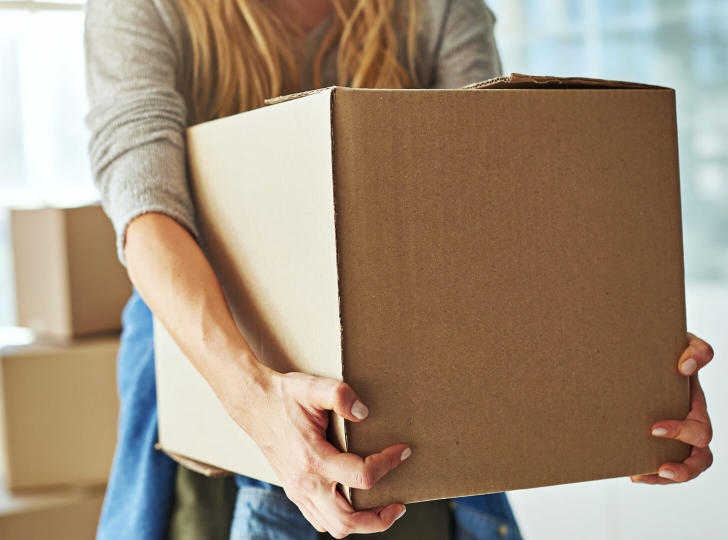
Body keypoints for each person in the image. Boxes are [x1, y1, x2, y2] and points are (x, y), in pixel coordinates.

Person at [82, 1, 716, 538]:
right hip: (214, 357)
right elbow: (146, 214)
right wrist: (256, 404)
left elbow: (496, 190)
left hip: (416, 352)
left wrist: (626, 373)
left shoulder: (431, 9)